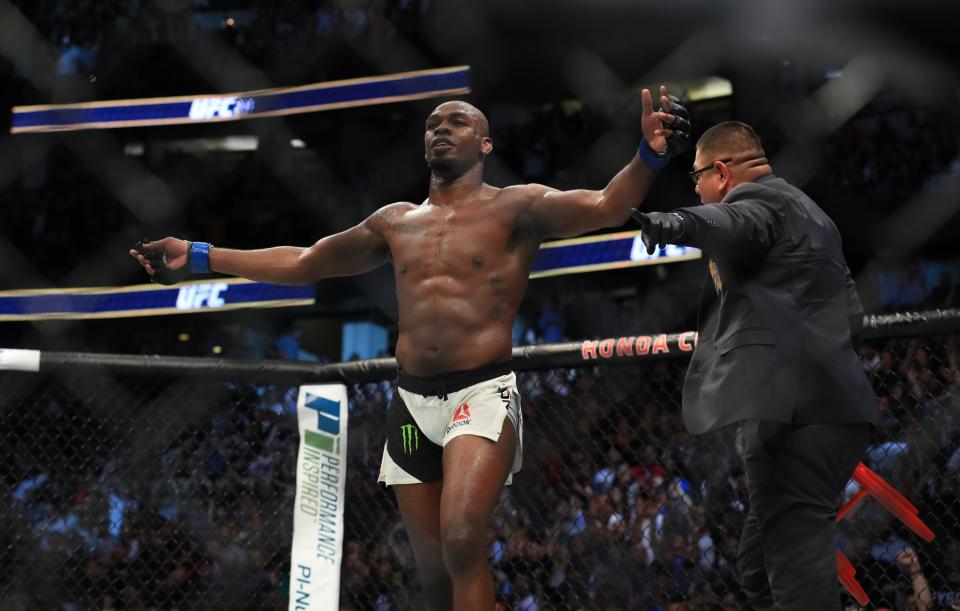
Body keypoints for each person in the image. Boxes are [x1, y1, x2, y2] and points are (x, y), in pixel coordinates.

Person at [130, 87, 690, 610]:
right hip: (410, 405)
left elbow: (604, 206)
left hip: (481, 393)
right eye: (432, 125)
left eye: (457, 121)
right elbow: (306, 262)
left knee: (464, 537)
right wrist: (201, 256)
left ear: (486, 143)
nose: (441, 130)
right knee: (431, 573)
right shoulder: (395, 222)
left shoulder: (518, 207)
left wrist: (649, 153)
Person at [631, 121, 880, 610]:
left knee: (792, 569)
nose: (696, 188)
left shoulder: (763, 204)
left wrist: (678, 222)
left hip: (796, 416)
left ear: (721, 173)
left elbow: (732, 223)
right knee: (760, 564)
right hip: (827, 410)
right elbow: (852, 315)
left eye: (697, 177)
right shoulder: (812, 214)